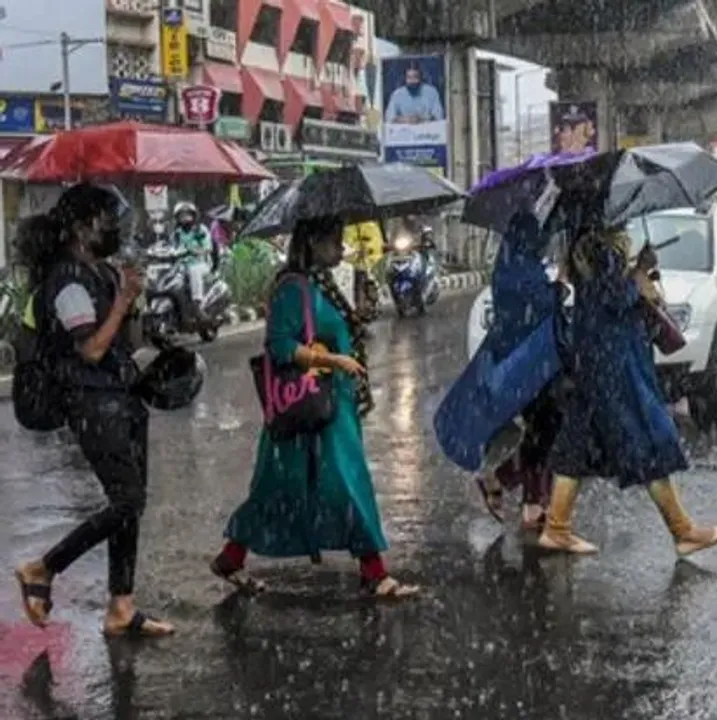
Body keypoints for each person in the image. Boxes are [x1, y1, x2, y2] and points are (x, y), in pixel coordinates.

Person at [210, 215, 417, 598]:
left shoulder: (321, 285)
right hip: (310, 411)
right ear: (312, 244)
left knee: (286, 491)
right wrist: (335, 362)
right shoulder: (292, 289)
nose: (340, 249)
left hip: (329, 408)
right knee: (336, 485)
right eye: (333, 241)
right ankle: (375, 572)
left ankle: (232, 558)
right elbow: (280, 347)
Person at [12, 184, 174, 637]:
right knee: (127, 500)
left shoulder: (99, 272)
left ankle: (122, 606)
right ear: (83, 228)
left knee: (131, 503)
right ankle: (43, 568)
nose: (115, 230)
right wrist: (121, 302)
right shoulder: (66, 280)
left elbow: (126, 342)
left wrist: (130, 296)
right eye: (107, 221)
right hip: (89, 401)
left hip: (120, 398)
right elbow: (91, 349)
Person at [539, 224, 717, 556]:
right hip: (615, 362)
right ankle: (683, 532)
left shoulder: (584, 243)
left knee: (580, 442)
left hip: (596, 358)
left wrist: (635, 270)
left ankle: (556, 527)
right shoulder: (601, 250)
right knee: (650, 437)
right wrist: (639, 277)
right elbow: (614, 297)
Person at [475, 213, 563, 531]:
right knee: (547, 428)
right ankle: (525, 497)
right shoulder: (521, 271)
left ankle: (527, 500)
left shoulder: (512, 266)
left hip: (527, 357)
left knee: (542, 430)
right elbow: (538, 303)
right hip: (529, 361)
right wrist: (560, 286)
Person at [171, 202, 214, 315]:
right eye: (182, 215)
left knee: (193, 270)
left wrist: (195, 251)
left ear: (194, 216)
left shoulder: (200, 230)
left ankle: (197, 303)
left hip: (201, 263)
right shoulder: (176, 233)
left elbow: (208, 248)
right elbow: (171, 248)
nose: (185, 218)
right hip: (181, 265)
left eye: (187, 215)